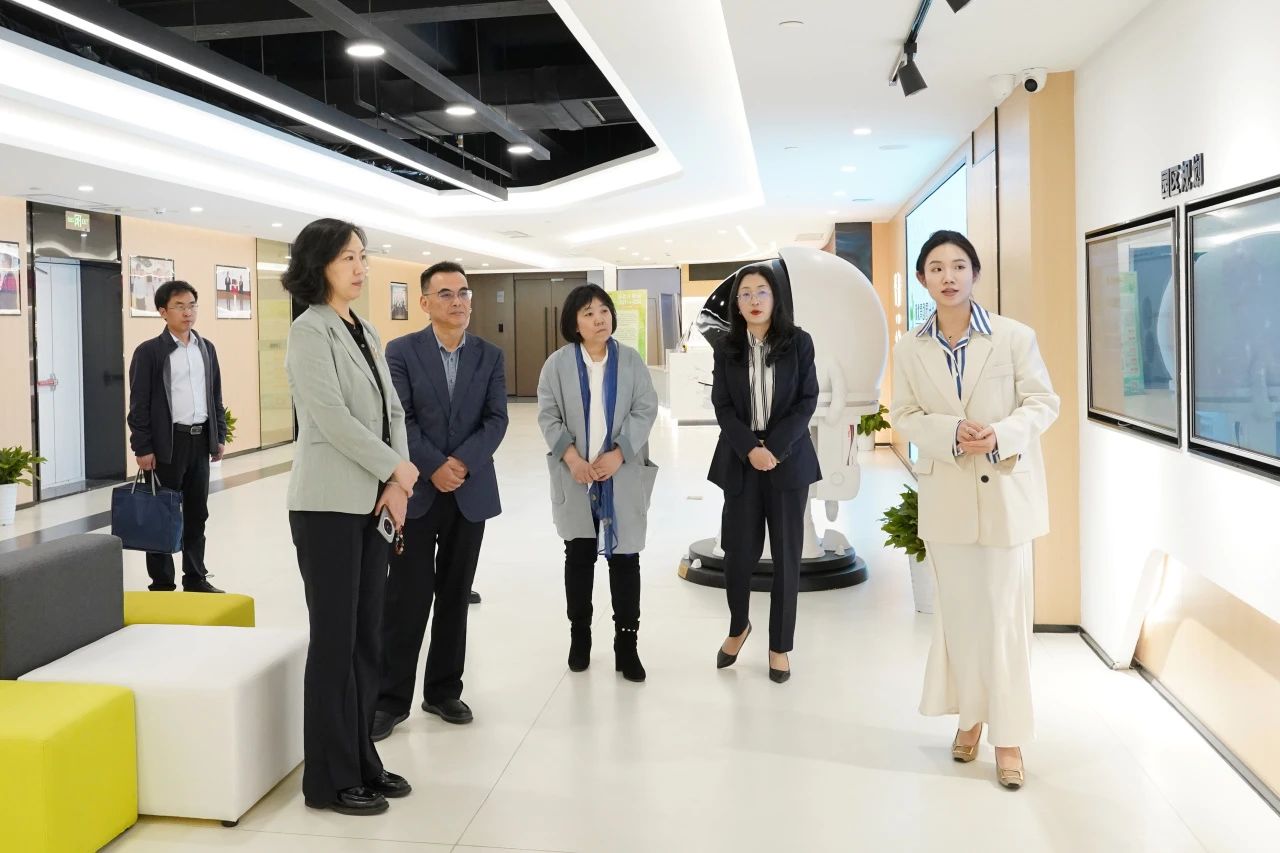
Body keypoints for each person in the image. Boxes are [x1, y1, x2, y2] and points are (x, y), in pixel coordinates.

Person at [890, 229, 1059, 790]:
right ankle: (970, 719)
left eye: (959, 265)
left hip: (1007, 495)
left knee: (1004, 620)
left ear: (975, 274)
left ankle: (1008, 738)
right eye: (937, 267)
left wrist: (1002, 433)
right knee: (960, 619)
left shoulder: (1013, 337)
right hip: (949, 501)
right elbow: (905, 415)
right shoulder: (910, 347)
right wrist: (950, 432)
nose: (949, 276)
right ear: (923, 279)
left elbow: (1043, 402)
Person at [282, 218, 418, 816]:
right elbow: (332, 419)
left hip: (373, 501)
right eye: (347, 258)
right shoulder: (308, 331)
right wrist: (396, 468)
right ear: (319, 265)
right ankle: (328, 780)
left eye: (363, 256)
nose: (360, 268)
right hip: (327, 506)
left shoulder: (364, 328)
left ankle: (362, 758)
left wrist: (397, 480)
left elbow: (393, 413)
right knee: (335, 643)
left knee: (367, 639)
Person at [372, 262, 508, 740]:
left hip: (469, 492)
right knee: (405, 597)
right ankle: (390, 700)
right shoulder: (402, 351)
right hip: (416, 492)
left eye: (464, 293)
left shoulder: (489, 355)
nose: (458, 302)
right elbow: (399, 418)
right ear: (425, 303)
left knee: (455, 593)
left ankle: (444, 690)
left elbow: (496, 419)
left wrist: (462, 464)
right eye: (446, 294)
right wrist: (434, 466)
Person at [537, 284, 658, 682]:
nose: (599, 319)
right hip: (576, 476)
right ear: (574, 323)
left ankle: (627, 644)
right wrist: (572, 459)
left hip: (620, 472)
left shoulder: (630, 360)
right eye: (588, 313)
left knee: (625, 558)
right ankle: (580, 637)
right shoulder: (557, 365)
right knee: (579, 555)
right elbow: (548, 415)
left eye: (604, 310)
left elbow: (645, 408)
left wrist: (619, 453)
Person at [708, 264, 820, 684]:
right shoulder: (726, 346)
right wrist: (750, 449)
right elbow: (722, 405)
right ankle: (739, 625)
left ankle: (779, 646)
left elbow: (807, 400)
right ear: (737, 304)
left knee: (787, 557)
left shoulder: (799, 342)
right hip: (740, 458)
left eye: (761, 292)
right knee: (738, 554)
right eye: (745, 294)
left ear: (775, 298)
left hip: (786, 459)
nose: (754, 300)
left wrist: (772, 448)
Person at [126, 280, 227, 593]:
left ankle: (195, 578)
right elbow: (139, 405)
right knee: (161, 514)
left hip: (199, 441)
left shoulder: (205, 348)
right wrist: (142, 447)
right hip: (166, 445)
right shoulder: (149, 352)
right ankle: (162, 583)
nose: (188, 313)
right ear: (163, 312)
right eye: (179, 306)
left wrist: (218, 435)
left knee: (197, 514)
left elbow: (215, 395)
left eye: (192, 305)